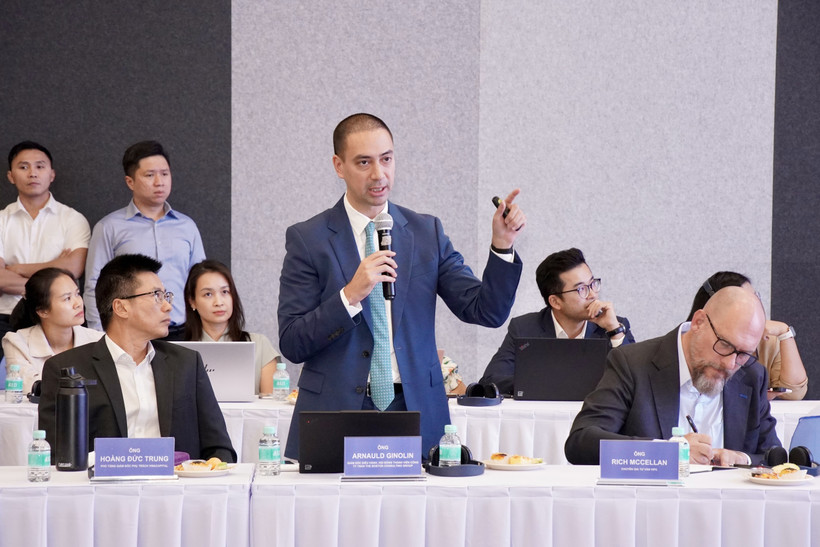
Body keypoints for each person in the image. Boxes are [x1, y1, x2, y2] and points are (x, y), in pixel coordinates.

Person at [278, 113, 526, 459]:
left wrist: (501, 245)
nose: (379, 174)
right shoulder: (309, 239)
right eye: (363, 162)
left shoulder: (426, 233)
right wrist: (349, 295)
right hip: (336, 409)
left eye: (387, 159)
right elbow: (292, 341)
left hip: (415, 408)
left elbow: (486, 310)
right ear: (339, 166)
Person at [39, 254, 235, 462]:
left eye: (166, 296)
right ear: (121, 307)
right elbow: (55, 456)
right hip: (102, 490)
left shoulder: (186, 363)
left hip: (175, 489)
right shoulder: (67, 368)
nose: (168, 306)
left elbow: (219, 448)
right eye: (157, 296)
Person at [564, 286, 780, 466]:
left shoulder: (752, 375)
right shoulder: (633, 364)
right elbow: (581, 443)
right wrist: (667, 452)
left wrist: (740, 458)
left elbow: (774, 457)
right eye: (724, 345)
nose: (730, 364)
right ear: (698, 322)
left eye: (743, 354)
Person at [83, 141, 205, 338]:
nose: (159, 182)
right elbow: (94, 285)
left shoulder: (187, 226)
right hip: (130, 334)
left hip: (183, 331)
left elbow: (201, 282)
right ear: (130, 182)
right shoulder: (109, 227)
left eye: (165, 174)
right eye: (150, 175)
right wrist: (98, 333)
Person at [481, 248, 636, 395]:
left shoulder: (615, 325)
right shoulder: (524, 328)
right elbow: (491, 380)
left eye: (592, 284)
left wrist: (614, 331)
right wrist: (555, 385)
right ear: (555, 302)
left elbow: (637, 382)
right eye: (581, 289)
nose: (593, 294)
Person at [0, 141, 90, 359]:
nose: (33, 173)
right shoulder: (1, 220)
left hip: (61, 321)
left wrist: (17, 269)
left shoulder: (73, 219)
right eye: (24, 167)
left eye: (40, 167)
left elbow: (74, 268)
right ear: (11, 176)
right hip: (5, 318)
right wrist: (55, 271)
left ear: (52, 174)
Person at [686, 271, 807, 400]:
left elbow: (794, 393)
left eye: (756, 297)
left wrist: (785, 333)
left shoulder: (766, 340)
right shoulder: (693, 342)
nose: (731, 363)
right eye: (725, 344)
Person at [184, 259, 281, 394]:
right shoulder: (179, 349)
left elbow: (271, 408)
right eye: (208, 294)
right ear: (192, 302)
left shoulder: (259, 344)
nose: (219, 302)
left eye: (225, 292)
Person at [2, 268, 103, 393]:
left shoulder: (98, 340)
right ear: (42, 311)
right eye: (67, 298)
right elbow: (29, 386)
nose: (78, 303)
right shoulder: (17, 342)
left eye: (77, 294)